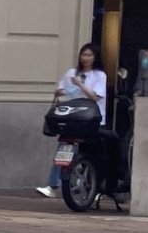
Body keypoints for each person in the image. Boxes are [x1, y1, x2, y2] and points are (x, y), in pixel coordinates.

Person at [39, 43, 107, 195]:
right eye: (84, 54)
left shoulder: (99, 75)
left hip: (91, 119)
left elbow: (95, 96)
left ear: (95, 57)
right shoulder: (71, 72)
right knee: (64, 149)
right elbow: (65, 90)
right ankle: (53, 185)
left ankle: (92, 187)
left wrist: (81, 85)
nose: (86, 58)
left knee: (91, 152)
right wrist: (59, 92)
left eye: (89, 55)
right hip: (73, 117)